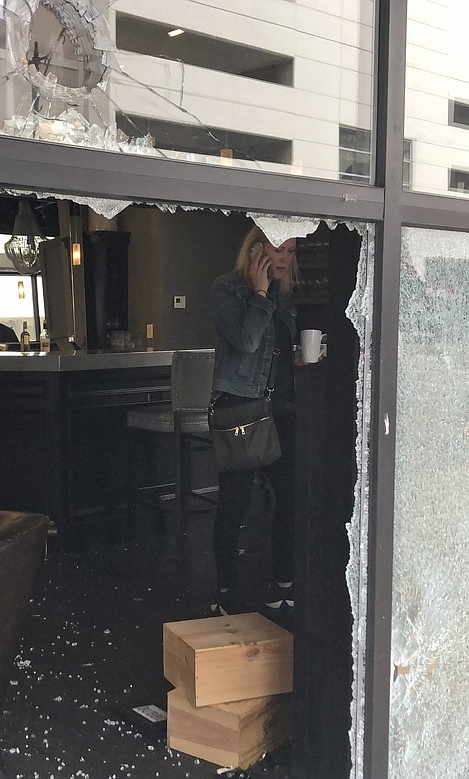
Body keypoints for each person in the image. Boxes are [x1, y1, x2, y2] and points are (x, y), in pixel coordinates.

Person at [208, 226, 298, 617]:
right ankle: (225, 589)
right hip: (241, 408)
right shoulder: (227, 290)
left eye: (291, 252)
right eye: (278, 249)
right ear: (257, 247)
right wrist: (260, 294)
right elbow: (245, 342)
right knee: (235, 503)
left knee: (292, 497)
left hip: (279, 410)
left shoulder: (284, 298)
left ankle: (283, 583)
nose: (283, 259)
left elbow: (276, 355)